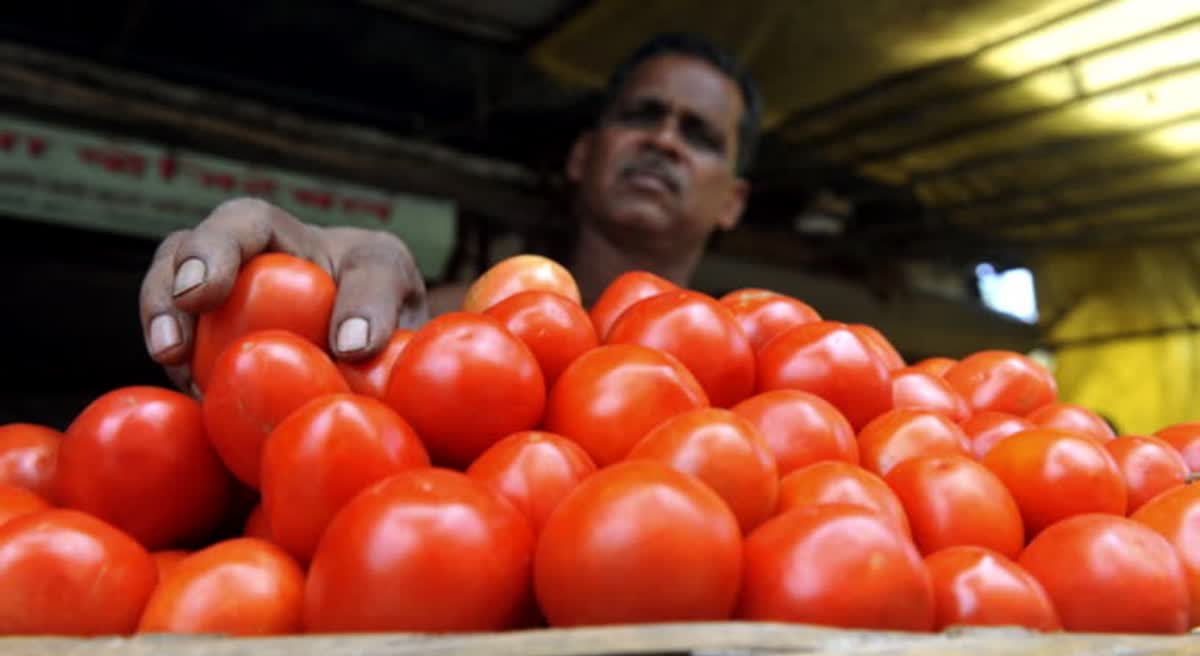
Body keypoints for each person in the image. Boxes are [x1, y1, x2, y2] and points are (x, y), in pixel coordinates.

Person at [139, 32, 763, 392]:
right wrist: (288, 315)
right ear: (582, 155)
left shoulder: (757, 379)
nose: (664, 140)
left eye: (700, 135)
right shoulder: (430, 326)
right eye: (642, 115)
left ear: (734, 201)